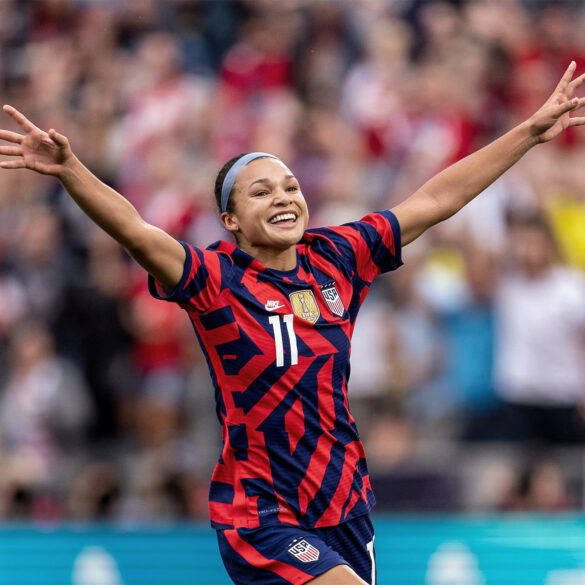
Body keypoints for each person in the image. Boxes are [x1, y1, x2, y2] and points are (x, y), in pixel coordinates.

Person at [0, 62, 583, 585]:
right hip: (262, 513)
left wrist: (529, 133)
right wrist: (72, 170)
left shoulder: (338, 257)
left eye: (291, 186)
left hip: (346, 503)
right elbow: (134, 229)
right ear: (230, 218)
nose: (284, 198)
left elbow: (435, 200)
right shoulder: (213, 280)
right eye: (260, 191)